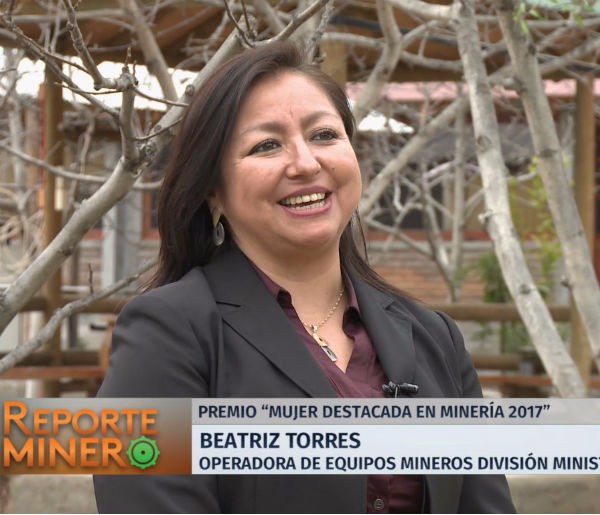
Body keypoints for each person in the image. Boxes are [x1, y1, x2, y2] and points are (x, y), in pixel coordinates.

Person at [93, 40, 516, 514]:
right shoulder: (167, 334)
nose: (306, 163)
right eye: (267, 145)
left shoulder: (435, 338)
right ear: (213, 191)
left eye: (324, 135)